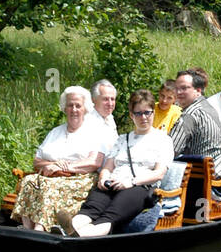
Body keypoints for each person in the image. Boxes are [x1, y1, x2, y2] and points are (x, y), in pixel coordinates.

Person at [71, 91, 174, 237]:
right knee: (91, 208)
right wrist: (103, 178)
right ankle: (70, 228)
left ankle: (79, 237)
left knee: (111, 214)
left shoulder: (163, 140)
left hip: (139, 187)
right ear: (131, 115)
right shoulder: (122, 139)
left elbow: (159, 173)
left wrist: (130, 182)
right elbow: (108, 166)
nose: (143, 117)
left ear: (153, 113)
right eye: (138, 113)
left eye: (147, 113)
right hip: (112, 183)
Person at [13, 86, 107, 233]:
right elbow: (37, 161)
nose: (74, 109)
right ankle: (27, 228)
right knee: (28, 181)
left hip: (80, 179)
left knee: (49, 188)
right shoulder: (55, 132)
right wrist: (52, 165)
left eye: (78, 105)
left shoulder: (94, 132)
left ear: (85, 108)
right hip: (51, 176)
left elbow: (94, 162)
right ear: (64, 108)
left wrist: (64, 167)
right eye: (70, 105)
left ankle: (40, 229)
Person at [170, 69, 221, 177]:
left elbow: (171, 149)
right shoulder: (208, 106)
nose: (178, 92)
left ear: (198, 91)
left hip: (202, 175)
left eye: (184, 88)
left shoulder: (190, 115)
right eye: (176, 88)